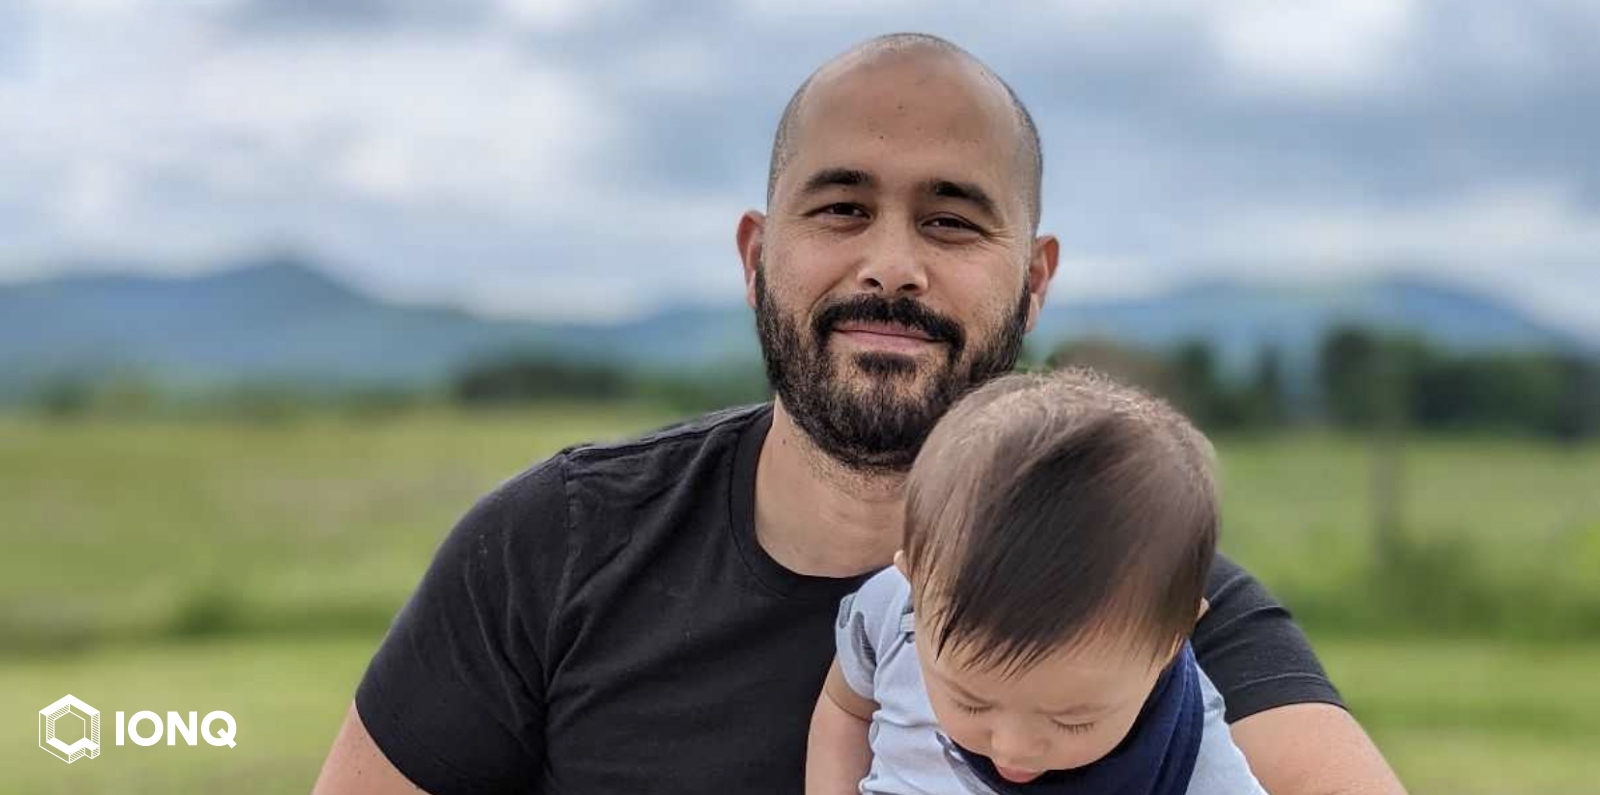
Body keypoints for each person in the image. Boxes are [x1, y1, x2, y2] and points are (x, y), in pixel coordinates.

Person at [312, 33, 1406, 795]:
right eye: (841, 209)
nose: (891, 266)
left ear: (1034, 281)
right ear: (756, 255)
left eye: (951, 222)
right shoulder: (554, 543)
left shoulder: (1132, 584)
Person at [806, 368, 1263, 795]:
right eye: (971, 702)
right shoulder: (891, 611)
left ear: (1170, 640)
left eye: (1073, 722)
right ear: (915, 583)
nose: (1012, 749)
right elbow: (847, 705)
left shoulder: (1186, 742)